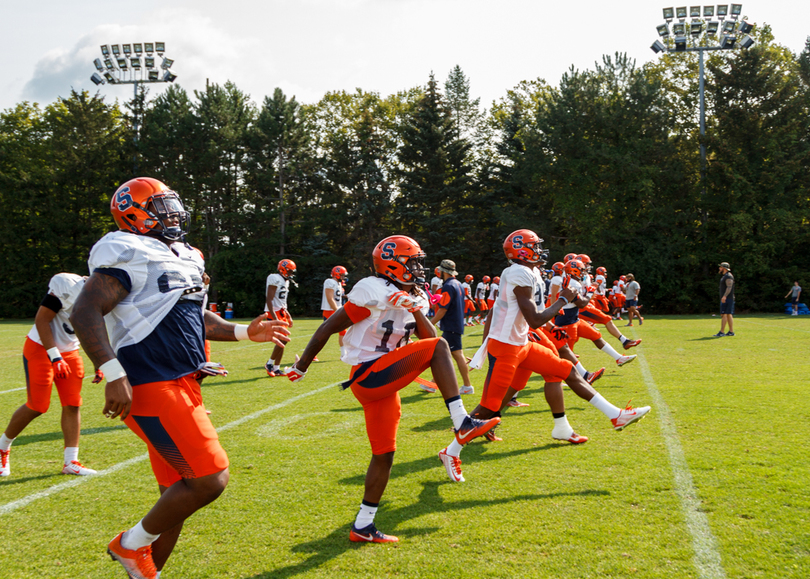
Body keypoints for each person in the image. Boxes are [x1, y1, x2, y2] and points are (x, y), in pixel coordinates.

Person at [70, 177, 289, 579]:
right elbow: (85, 310)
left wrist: (243, 331)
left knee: (176, 498)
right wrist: (112, 369)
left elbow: (193, 314)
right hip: (150, 380)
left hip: (183, 381)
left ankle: (146, 572)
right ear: (132, 213)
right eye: (159, 207)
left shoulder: (185, 254)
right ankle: (129, 544)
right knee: (209, 478)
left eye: (172, 205)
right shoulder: (126, 247)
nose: (172, 213)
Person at [285, 235, 499, 542]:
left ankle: (363, 525)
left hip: (386, 381)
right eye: (412, 261)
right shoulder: (371, 290)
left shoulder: (417, 295)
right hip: (368, 374)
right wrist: (302, 365)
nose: (418, 267)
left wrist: (413, 308)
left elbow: (428, 336)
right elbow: (329, 326)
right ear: (393, 264)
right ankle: (461, 421)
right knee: (439, 347)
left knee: (384, 454)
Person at [471, 230, 650, 445]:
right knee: (489, 405)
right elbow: (533, 319)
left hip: (522, 342)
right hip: (507, 346)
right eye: (534, 246)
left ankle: (612, 416)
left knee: (566, 370)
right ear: (522, 250)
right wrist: (563, 300)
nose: (539, 250)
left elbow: (530, 313)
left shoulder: (532, 273)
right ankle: (455, 444)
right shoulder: (517, 272)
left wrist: (551, 325)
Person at [0, 273, 98, 478]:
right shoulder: (68, 285)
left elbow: (94, 331)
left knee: (73, 403)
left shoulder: (111, 295)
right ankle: (2, 447)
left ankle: (71, 461)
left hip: (70, 351)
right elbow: (42, 319)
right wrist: (55, 357)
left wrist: (100, 362)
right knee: (38, 406)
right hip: (40, 347)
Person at [431, 259, 474, 395]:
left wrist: (429, 323)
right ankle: (433, 383)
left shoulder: (448, 285)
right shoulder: (459, 284)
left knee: (455, 355)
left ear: (443, 271)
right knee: (445, 355)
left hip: (451, 325)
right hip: (455, 324)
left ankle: (467, 386)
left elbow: (443, 309)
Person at [265, 259, 297, 376]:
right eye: (289, 271)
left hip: (281, 312)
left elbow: (282, 302)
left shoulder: (285, 281)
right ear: (283, 269)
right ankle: (269, 363)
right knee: (282, 339)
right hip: (274, 312)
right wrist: (274, 318)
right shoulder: (274, 278)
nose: (290, 274)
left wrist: (288, 315)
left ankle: (277, 367)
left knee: (284, 340)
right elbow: (269, 299)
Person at [322, 266, 348, 347]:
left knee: (343, 332)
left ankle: (344, 354)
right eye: (342, 275)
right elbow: (330, 299)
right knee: (324, 335)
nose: (344, 277)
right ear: (337, 275)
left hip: (336, 309)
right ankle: (312, 352)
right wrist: (337, 311)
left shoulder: (338, 284)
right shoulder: (329, 282)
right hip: (329, 311)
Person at [715, 262, 735, 337]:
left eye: (721, 267)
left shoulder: (728, 276)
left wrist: (724, 296)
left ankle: (722, 331)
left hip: (728, 298)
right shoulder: (725, 276)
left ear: (724, 268)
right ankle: (731, 331)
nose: (719, 268)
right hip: (727, 298)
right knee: (728, 314)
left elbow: (729, 287)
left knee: (724, 314)